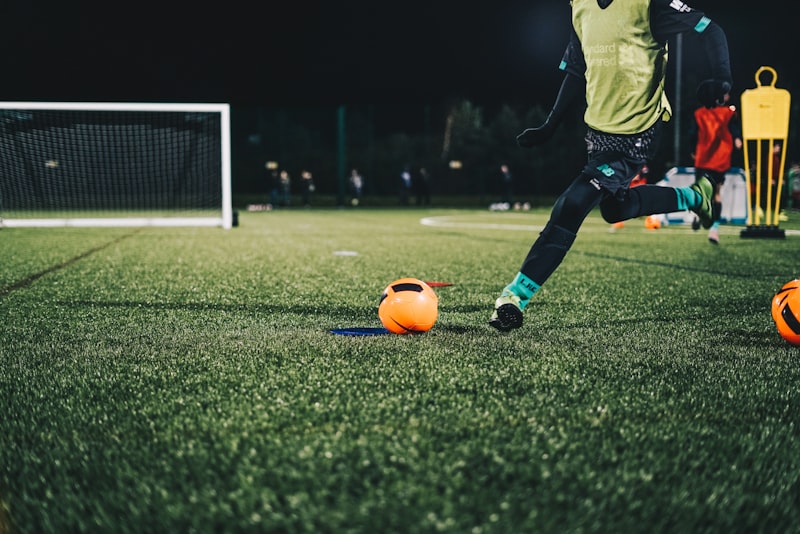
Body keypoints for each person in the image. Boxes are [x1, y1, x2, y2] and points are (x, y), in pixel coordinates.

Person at [489, 0, 732, 332]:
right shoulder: (580, 5)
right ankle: (694, 197)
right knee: (615, 209)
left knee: (573, 203)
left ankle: (513, 297)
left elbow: (709, 28)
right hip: (599, 132)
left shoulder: (649, 4)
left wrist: (722, 77)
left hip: (638, 131)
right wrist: (551, 124)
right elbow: (577, 69)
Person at [689, 93, 742, 243]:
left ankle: (699, 217)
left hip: (704, 158)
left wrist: (692, 150)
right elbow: (733, 128)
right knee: (717, 193)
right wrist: (737, 138)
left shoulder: (699, 113)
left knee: (701, 191)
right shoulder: (728, 113)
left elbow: (692, 134)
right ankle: (714, 230)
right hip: (719, 158)